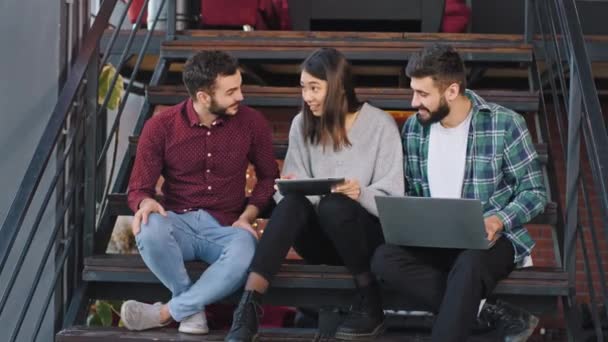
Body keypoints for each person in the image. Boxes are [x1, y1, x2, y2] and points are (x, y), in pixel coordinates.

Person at [224, 47, 405, 342]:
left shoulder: (380, 124)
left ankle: (371, 302)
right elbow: (292, 199)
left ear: (337, 86)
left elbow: (394, 198)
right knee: (294, 202)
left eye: (314, 88)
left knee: (336, 205)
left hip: (365, 240)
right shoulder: (302, 123)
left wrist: (360, 192)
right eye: (303, 88)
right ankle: (249, 305)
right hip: (320, 241)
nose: (307, 97)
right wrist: (292, 186)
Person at [370, 43, 547, 342]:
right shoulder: (415, 129)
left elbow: (535, 191)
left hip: (491, 241)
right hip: (435, 241)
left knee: (469, 264)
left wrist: (498, 220)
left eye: (423, 94)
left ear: (452, 91)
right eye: (413, 91)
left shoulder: (504, 124)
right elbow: (412, 190)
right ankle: (490, 313)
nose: (414, 102)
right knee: (383, 259)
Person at [120, 50, 279, 334]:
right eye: (231, 91)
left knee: (246, 246)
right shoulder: (161, 126)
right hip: (177, 223)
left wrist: (248, 215)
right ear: (203, 97)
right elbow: (138, 188)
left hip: (225, 226)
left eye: (239, 87)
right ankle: (191, 308)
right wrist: (144, 202)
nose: (240, 96)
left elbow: (269, 178)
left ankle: (168, 312)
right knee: (148, 225)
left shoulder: (252, 123)